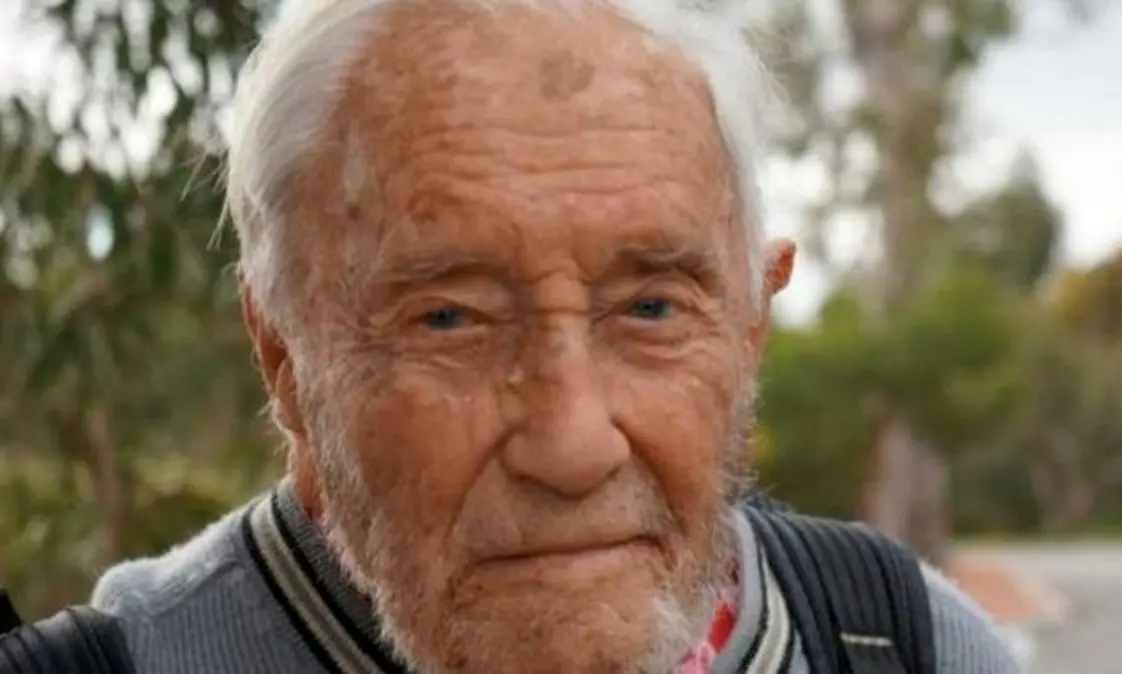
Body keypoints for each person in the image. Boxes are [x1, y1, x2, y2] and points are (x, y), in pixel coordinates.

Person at [90, 1, 1020, 673]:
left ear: (750, 325)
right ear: (285, 362)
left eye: (650, 309)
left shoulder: (908, 647)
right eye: (450, 318)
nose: (573, 448)